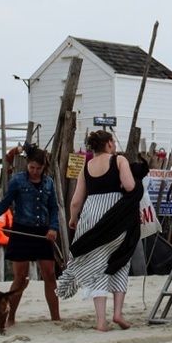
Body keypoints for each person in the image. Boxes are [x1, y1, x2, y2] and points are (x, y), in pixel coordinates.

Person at [62, 130, 142, 330]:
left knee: (97, 266)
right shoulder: (119, 161)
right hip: (116, 217)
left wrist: (73, 220)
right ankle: (117, 313)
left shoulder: (86, 167)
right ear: (108, 143)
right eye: (112, 142)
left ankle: (100, 322)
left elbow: (76, 201)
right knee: (120, 260)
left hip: (91, 217)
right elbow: (130, 186)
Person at [0, 147, 63, 323]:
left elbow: (53, 208)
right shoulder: (17, 181)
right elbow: (4, 203)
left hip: (42, 231)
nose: (35, 171)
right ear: (27, 165)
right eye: (32, 168)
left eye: (38, 168)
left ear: (44, 168)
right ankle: (10, 317)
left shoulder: (49, 183)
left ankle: (56, 317)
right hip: (22, 230)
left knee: (49, 274)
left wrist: (53, 227)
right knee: (20, 277)